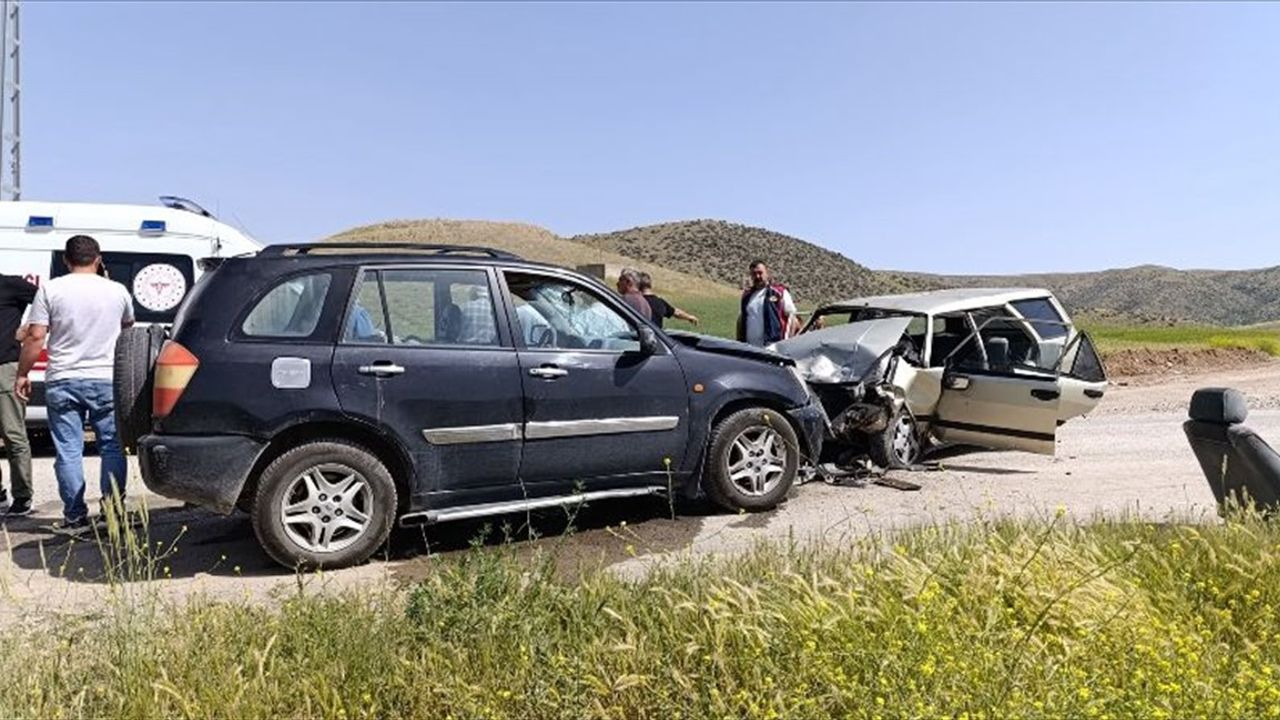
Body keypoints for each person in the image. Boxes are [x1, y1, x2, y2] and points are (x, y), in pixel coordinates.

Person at [16, 236, 134, 535]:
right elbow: (127, 331)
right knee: (111, 447)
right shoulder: (117, 291)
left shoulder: (51, 289)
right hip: (107, 378)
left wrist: (22, 373)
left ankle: (75, 517)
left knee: (68, 450)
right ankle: (113, 514)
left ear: (66, 261)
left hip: (63, 379)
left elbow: (35, 336)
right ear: (98, 259)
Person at [0, 273, 37, 517]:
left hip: (4, 367)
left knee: (13, 435)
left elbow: (48, 302)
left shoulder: (9, 284)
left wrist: (29, 330)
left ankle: (22, 497)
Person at [736, 260, 799, 347]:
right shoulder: (747, 296)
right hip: (749, 348)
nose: (757, 276)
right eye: (754, 274)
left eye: (760, 273)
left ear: (767, 273)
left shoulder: (779, 292)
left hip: (773, 347)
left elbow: (793, 319)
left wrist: (788, 344)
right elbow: (741, 320)